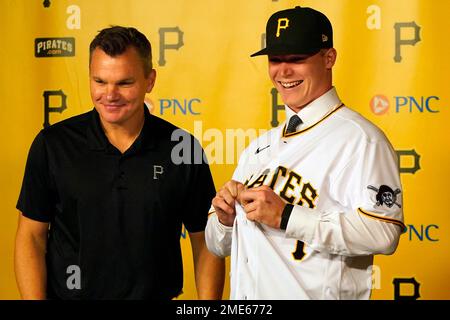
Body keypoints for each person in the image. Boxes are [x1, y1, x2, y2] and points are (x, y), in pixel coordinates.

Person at [205, 6, 405, 300]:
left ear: (329, 58)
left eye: (297, 59)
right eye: (276, 59)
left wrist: (287, 216)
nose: (283, 71)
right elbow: (217, 246)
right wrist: (224, 220)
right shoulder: (258, 148)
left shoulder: (362, 139)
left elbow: (383, 234)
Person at [15, 26, 224, 300]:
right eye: (99, 81)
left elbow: (205, 241)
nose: (110, 95)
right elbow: (31, 236)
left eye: (124, 83)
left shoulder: (182, 148)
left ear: (150, 80)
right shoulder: (53, 144)